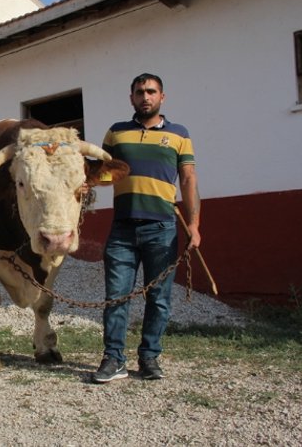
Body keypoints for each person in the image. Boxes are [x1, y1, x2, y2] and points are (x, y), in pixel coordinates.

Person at [92, 73, 201, 383]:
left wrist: (194, 224)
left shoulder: (179, 134)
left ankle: (150, 358)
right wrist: (78, 179)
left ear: (162, 97)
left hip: (162, 228)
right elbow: (103, 173)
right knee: (116, 297)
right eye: (139, 92)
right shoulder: (116, 133)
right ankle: (114, 360)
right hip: (122, 229)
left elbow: (189, 179)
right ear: (131, 98)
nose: (145, 97)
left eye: (151, 91)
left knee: (159, 298)